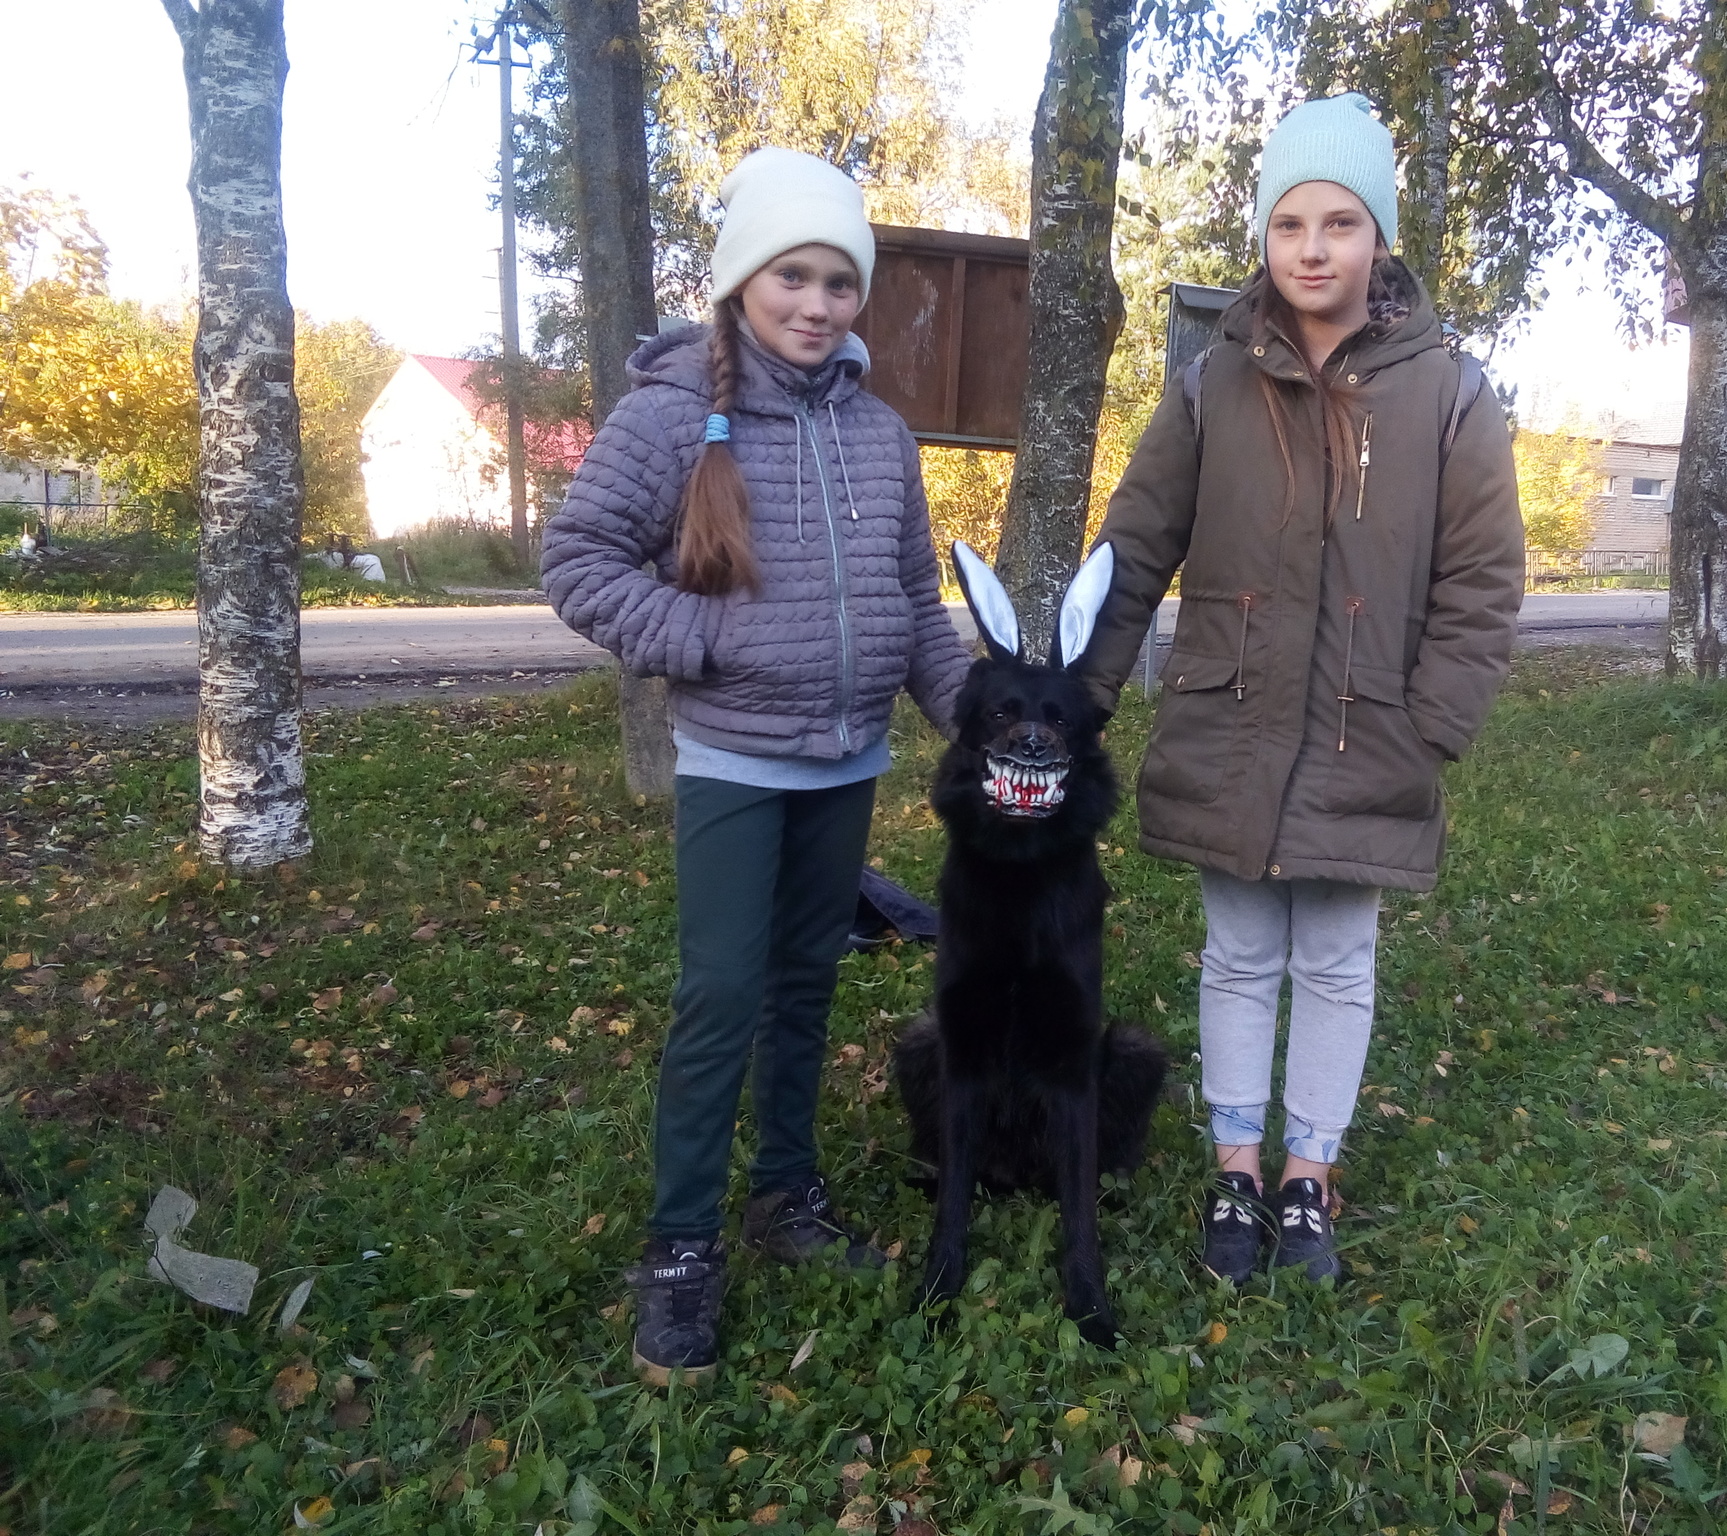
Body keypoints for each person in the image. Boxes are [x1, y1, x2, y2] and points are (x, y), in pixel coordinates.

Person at [1075, 95, 1524, 1284]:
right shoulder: (1210, 381)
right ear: (1263, 241)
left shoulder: (1449, 395)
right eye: (1288, 224)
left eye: (1338, 222)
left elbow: (1483, 580)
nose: (1313, 248)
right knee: (1234, 955)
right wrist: (1083, 693)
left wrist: (1431, 727)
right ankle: (1233, 1167)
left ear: (1379, 236)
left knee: (1333, 956)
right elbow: (1135, 543)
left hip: (1367, 730)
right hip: (1230, 721)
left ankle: (1307, 1173)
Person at [541, 146, 971, 1381]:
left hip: (847, 762)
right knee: (720, 993)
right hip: (737, 762)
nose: (817, 305)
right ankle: (680, 1248)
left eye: (841, 283)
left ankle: (786, 1198)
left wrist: (974, 720)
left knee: (802, 987)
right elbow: (577, 563)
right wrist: (707, 640)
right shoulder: (672, 413)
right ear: (741, 279)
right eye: (794, 274)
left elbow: (908, 604)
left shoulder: (881, 432)